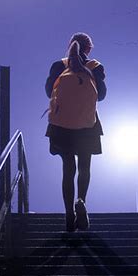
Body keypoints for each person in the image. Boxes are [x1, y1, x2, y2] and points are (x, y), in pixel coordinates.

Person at [45, 32, 107, 232]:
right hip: (88, 127)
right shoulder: (95, 67)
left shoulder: (58, 66)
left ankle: (68, 214)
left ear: (70, 45)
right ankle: (81, 200)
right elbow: (103, 96)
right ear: (88, 49)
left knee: (68, 169)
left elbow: (48, 92)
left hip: (61, 127)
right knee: (85, 167)